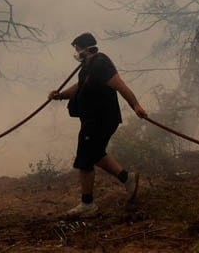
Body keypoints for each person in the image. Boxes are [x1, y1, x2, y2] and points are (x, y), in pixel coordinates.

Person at [48, 32, 147, 218]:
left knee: (84, 159)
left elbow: (121, 86)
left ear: (86, 49)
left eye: (77, 49)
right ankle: (128, 179)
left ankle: (87, 205)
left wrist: (136, 106)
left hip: (100, 120)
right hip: (92, 120)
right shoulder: (87, 67)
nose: (76, 53)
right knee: (96, 154)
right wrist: (59, 96)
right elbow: (79, 88)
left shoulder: (101, 64)